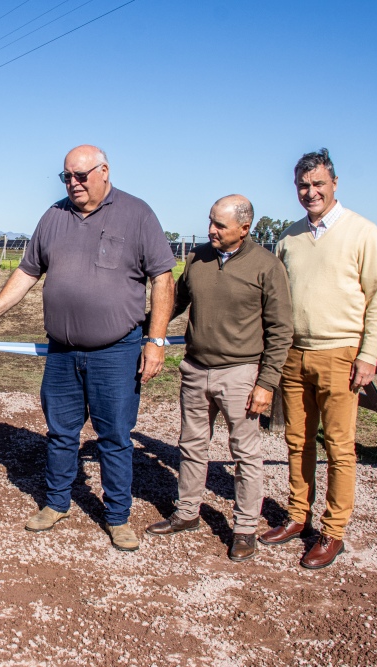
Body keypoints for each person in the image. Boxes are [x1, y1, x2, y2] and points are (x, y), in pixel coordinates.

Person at [0, 145, 175, 552]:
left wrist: (156, 340)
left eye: (81, 175)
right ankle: (57, 503)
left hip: (116, 351)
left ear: (104, 171)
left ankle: (117, 516)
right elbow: (27, 272)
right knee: (61, 433)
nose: (73, 183)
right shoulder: (53, 216)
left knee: (114, 437)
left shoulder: (137, 213)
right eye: (66, 177)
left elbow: (163, 279)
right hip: (61, 351)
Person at [259, 149, 377, 569]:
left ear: (334, 184)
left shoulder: (363, 232)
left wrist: (368, 355)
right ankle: (298, 515)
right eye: (303, 185)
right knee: (297, 440)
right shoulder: (289, 237)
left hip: (340, 354)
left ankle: (333, 531)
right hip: (294, 354)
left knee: (338, 446)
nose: (310, 191)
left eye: (318, 183)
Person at [145, 195, 292, 561]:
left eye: (220, 225)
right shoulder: (198, 258)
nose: (211, 229)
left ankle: (245, 528)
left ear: (244, 229)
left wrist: (266, 383)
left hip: (240, 374)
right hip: (196, 369)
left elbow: (280, 330)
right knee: (191, 445)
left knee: (245, 454)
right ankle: (187, 513)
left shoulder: (267, 266)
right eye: (210, 221)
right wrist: (145, 328)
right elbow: (176, 302)